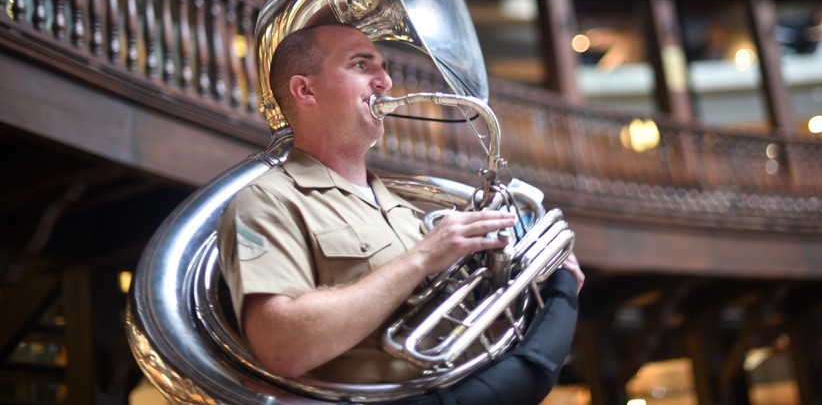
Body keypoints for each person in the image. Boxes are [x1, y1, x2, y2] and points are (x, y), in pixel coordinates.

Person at [217, 23, 585, 399]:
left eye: (384, 67)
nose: (386, 81)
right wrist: (421, 259)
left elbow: (471, 339)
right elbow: (283, 346)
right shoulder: (269, 199)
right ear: (305, 90)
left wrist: (531, 285)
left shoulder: (411, 213)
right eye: (361, 65)